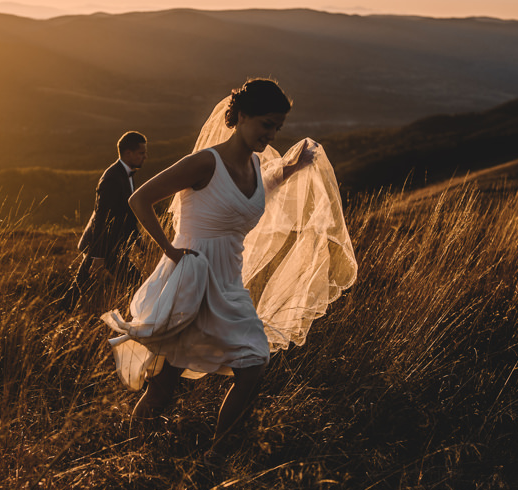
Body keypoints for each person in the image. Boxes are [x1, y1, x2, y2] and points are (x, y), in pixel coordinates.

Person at [101, 79, 358, 458]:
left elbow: (258, 190)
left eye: (277, 128)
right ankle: (132, 455)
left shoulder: (256, 165)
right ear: (239, 117)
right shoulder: (204, 161)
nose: (271, 134)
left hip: (228, 285)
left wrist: (292, 167)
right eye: (265, 124)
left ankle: (216, 455)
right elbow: (140, 199)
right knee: (164, 385)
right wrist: (171, 250)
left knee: (253, 365)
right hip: (191, 279)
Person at [66, 131, 148, 309]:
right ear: (128, 154)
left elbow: (125, 213)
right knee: (137, 283)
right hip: (104, 247)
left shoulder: (125, 174)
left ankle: (62, 312)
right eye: (141, 153)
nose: (145, 157)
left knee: (78, 289)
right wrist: (98, 256)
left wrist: (138, 239)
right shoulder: (112, 178)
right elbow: (101, 217)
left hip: (111, 246)